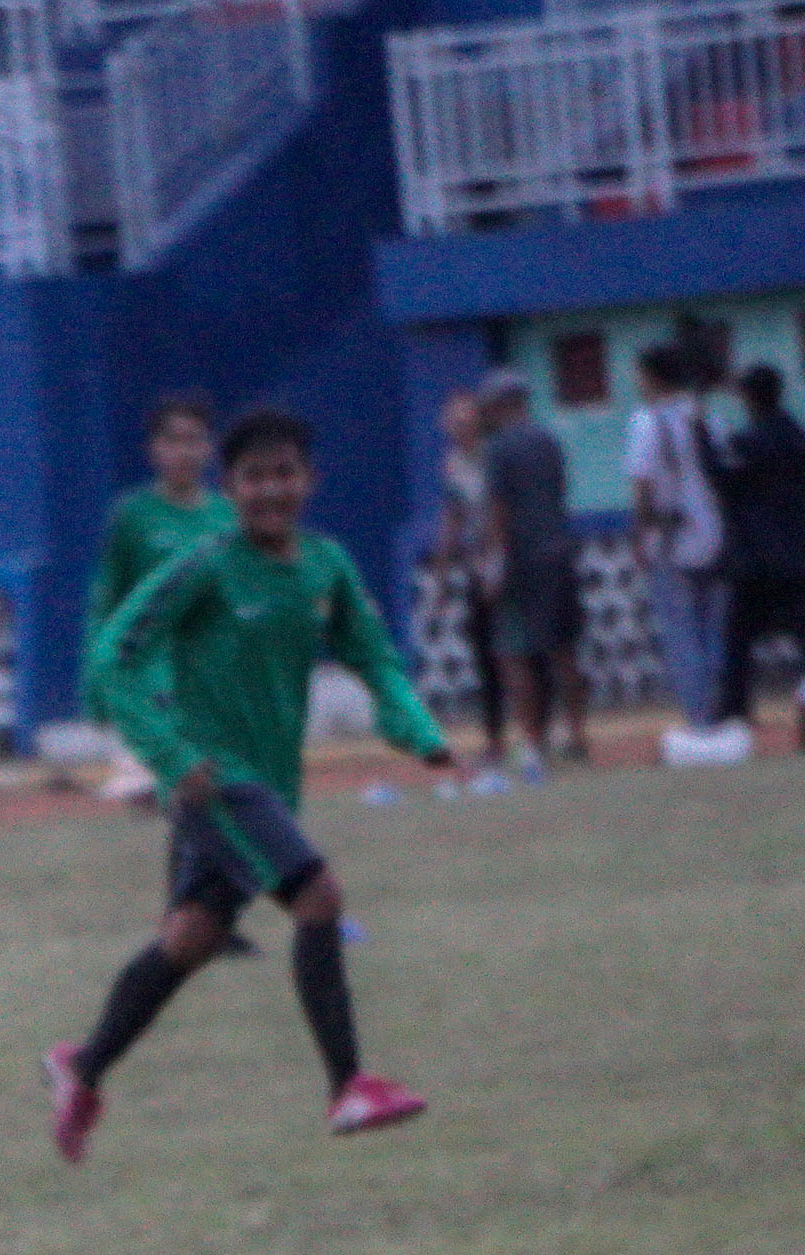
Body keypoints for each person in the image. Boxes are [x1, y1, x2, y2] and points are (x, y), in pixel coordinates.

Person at [45, 408, 451, 1165]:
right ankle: (348, 1088)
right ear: (229, 488)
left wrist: (417, 729)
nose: (271, 491)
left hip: (269, 782)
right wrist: (168, 756)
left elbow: (375, 657)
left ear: (309, 481)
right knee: (319, 897)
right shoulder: (205, 564)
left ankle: (83, 1067)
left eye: (285, 475)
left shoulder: (326, 565)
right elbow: (116, 653)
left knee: (191, 939)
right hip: (214, 777)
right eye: (254, 478)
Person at [84, 393, 231, 715]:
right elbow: (106, 605)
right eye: (173, 441)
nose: (184, 452)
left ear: (209, 447)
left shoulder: (230, 517)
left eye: (193, 440)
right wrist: (96, 687)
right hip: (148, 684)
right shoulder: (133, 516)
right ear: (154, 449)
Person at [478, 371, 589, 777]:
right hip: (558, 549)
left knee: (512, 651)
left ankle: (532, 743)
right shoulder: (548, 440)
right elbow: (559, 494)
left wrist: (492, 565)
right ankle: (578, 735)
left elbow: (498, 511)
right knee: (563, 649)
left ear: (499, 405)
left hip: (521, 557)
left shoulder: (497, 449)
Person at [712, 364, 805, 726]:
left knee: (738, 638)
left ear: (749, 398)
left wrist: (703, 440)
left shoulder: (749, 443)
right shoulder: (800, 438)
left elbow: (722, 481)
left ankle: (735, 712)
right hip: (800, 553)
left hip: (760, 560)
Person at [625, 343, 731, 735]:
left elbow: (642, 487)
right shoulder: (707, 418)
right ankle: (722, 708)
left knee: (681, 633)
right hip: (715, 534)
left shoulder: (646, 423)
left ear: (652, 377)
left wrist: (639, 536)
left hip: (669, 537)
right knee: (715, 629)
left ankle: (699, 719)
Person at [436, 389, 510, 759]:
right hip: (474, 564)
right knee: (485, 651)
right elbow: (453, 516)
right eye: (453, 421)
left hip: (507, 558)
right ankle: (495, 736)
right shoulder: (453, 463)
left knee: (521, 650)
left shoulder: (494, 457)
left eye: (466, 420)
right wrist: (442, 576)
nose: (459, 427)